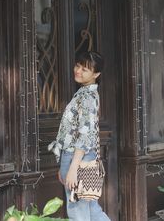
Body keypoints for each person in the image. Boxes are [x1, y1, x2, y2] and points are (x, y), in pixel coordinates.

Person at [48, 51, 110, 221]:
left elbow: (84, 135)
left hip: (78, 159)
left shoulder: (87, 97)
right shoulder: (84, 94)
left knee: (78, 211)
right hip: (80, 158)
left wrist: (72, 168)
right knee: (91, 208)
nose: (78, 71)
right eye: (78, 66)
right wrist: (65, 166)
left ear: (96, 74)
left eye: (85, 69)